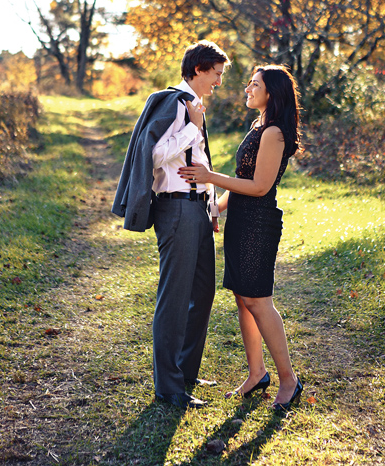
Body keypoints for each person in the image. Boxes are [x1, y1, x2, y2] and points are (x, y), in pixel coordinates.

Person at [112, 40, 230, 409]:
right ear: (198, 69)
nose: (219, 82)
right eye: (216, 74)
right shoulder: (174, 104)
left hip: (196, 210)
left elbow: (198, 164)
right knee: (175, 297)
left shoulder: (193, 108)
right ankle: (168, 386)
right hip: (175, 209)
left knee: (203, 293)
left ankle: (185, 372)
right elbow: (155, 154)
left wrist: (210, 205)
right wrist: (192, 129)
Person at [179, 64, 303, 412]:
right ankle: (256, 373)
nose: (247, 88)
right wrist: (217, 207)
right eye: (250, 83)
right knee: (243, 299)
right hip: (240, 221)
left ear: (271, 92)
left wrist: (208, 176)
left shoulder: (275, 133)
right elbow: (243, 178)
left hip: (257, 225)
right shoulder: (258, 125)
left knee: (259, 301)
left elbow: (260, 186)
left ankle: (289, 381)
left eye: (254, 84)